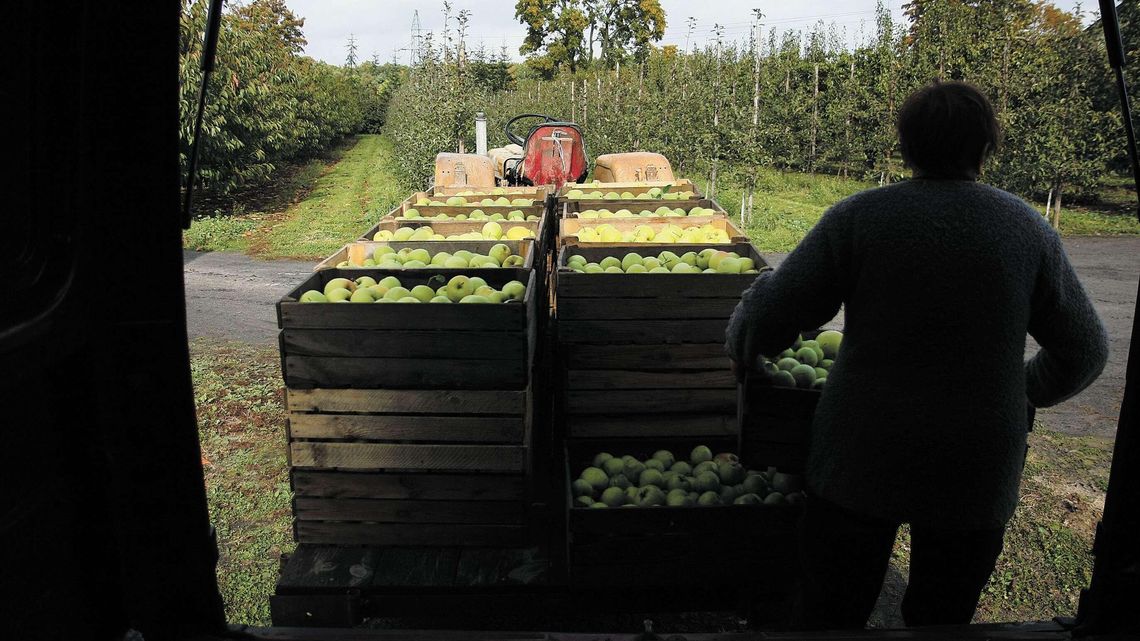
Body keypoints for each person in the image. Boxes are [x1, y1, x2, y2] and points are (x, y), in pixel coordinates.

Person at [725, 80, 1109, 629]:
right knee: (942, 618)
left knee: (833, 611)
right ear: (983, 150)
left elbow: (765, 322)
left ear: (905, 149)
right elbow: (1085, 351)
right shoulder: (1024, 227)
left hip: (860, 452)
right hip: (975, 464)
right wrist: (1020, 388)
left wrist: (745, 327)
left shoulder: (861, 217)